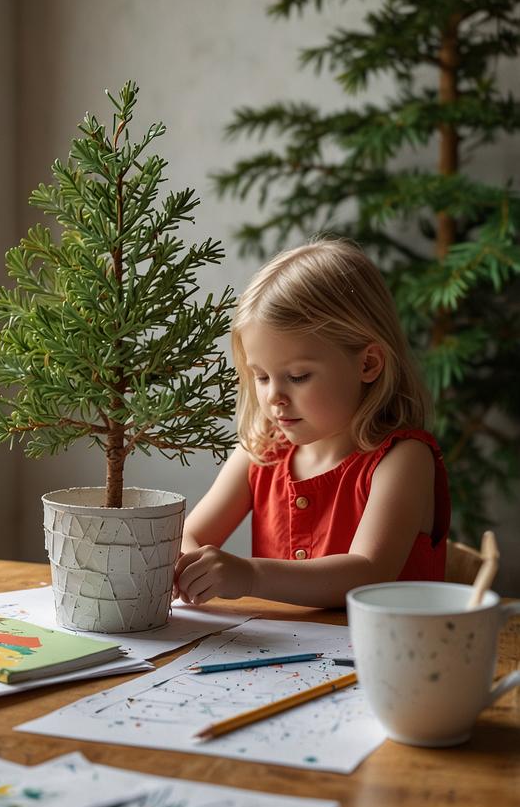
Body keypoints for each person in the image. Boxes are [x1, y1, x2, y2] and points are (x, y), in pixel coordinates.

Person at [174, 238, 450, 608]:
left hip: (390, 658)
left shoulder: (403, 459)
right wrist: (192, 565)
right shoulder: (261, 451)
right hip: (278, 660)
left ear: (367, 364)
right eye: (261, 376)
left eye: (299, 376)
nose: (274, 397)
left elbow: (368, 572)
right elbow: (187, 534)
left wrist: (251, 575)